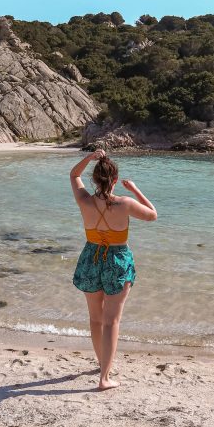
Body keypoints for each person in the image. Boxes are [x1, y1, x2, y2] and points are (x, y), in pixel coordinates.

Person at [70, 149, 157, 390]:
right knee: (111, 321)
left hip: (90, 257)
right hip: (117, 260)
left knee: (95, 319)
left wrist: (90, 157)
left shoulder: (84, 200)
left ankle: (102, 364)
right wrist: (135, 190)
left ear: (94, 179)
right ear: (115, 180)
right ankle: (104, 377)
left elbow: (73, 174)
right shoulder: (125, 203)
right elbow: (153, 215)